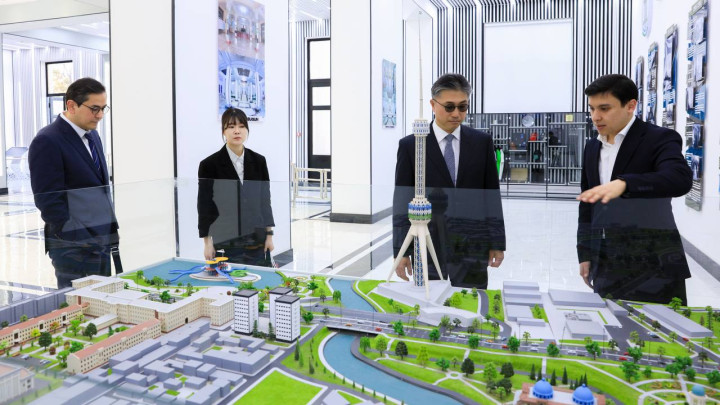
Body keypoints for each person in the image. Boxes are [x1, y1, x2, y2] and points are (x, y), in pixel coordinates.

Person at [577, 74, 692, 304]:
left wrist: (625, 184)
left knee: (660, 326)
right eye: (592, 109)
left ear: (630, 106)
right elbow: (587, 207)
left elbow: (679, 179)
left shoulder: (659, 138)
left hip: (654, 265)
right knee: (608, 324)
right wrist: (585, 253)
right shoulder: (592, 147)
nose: (595, 116)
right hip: (605, 263)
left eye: (604, 108)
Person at [393, 73, 506, 289]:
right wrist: (401, 251)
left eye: (463, 107)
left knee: (471, 303)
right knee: (428, 303)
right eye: (449, 107)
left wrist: (497, 241)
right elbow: (402, 201)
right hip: (428, 243)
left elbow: (491, 196)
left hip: (473, 244)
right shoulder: (411, 146)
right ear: (433, 105)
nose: (456, 114)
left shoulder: (481, 143)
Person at [29, 77, 119, 288]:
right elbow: (48, 202)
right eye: (94, 109)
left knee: (103, 299)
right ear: (71, 105)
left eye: (103, 109)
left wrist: (108, 232)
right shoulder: (47, 140)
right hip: (73, 247)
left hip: (102, 240)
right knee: (77, 304)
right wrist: (78, 236)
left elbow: (100, 188)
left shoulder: (93, 136)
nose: (100, 115)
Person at [197, 107, 275, 265]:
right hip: (226, 239)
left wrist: (269, 235)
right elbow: (204, 207)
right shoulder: (209, 165)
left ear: (247, 130)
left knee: (259, 279)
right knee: (227, 279)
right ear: (223, 131)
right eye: (231, 127)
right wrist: (207, 242)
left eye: (241, 126)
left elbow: (265, 201)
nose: (237, 131)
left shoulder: (259, 161)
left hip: (256, 239)